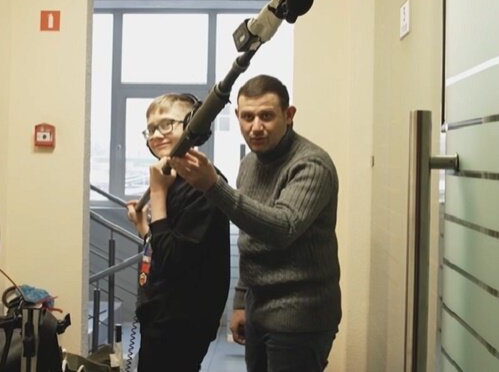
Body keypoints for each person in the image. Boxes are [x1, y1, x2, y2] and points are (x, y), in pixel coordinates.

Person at [169, 75, 341, 372]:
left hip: (300, 318)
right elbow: (250, 237)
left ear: (289, 115)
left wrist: (213, 186)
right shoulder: (250, 163)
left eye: (266, 116)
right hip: (259, 311)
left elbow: (282, 229)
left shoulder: (311, 165)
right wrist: (241, 301)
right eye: (248, 117)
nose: (256, 127)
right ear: (237, 116)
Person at [126, 93, 231, 372]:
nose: (156, 135)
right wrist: (144, 228)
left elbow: (174, 260)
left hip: (181, 323)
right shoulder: (172, 179)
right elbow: (167, 248)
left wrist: (157, 195)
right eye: (150, 129)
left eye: (166, 124)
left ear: (193, 126)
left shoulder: (203, 184)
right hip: (160, 314)